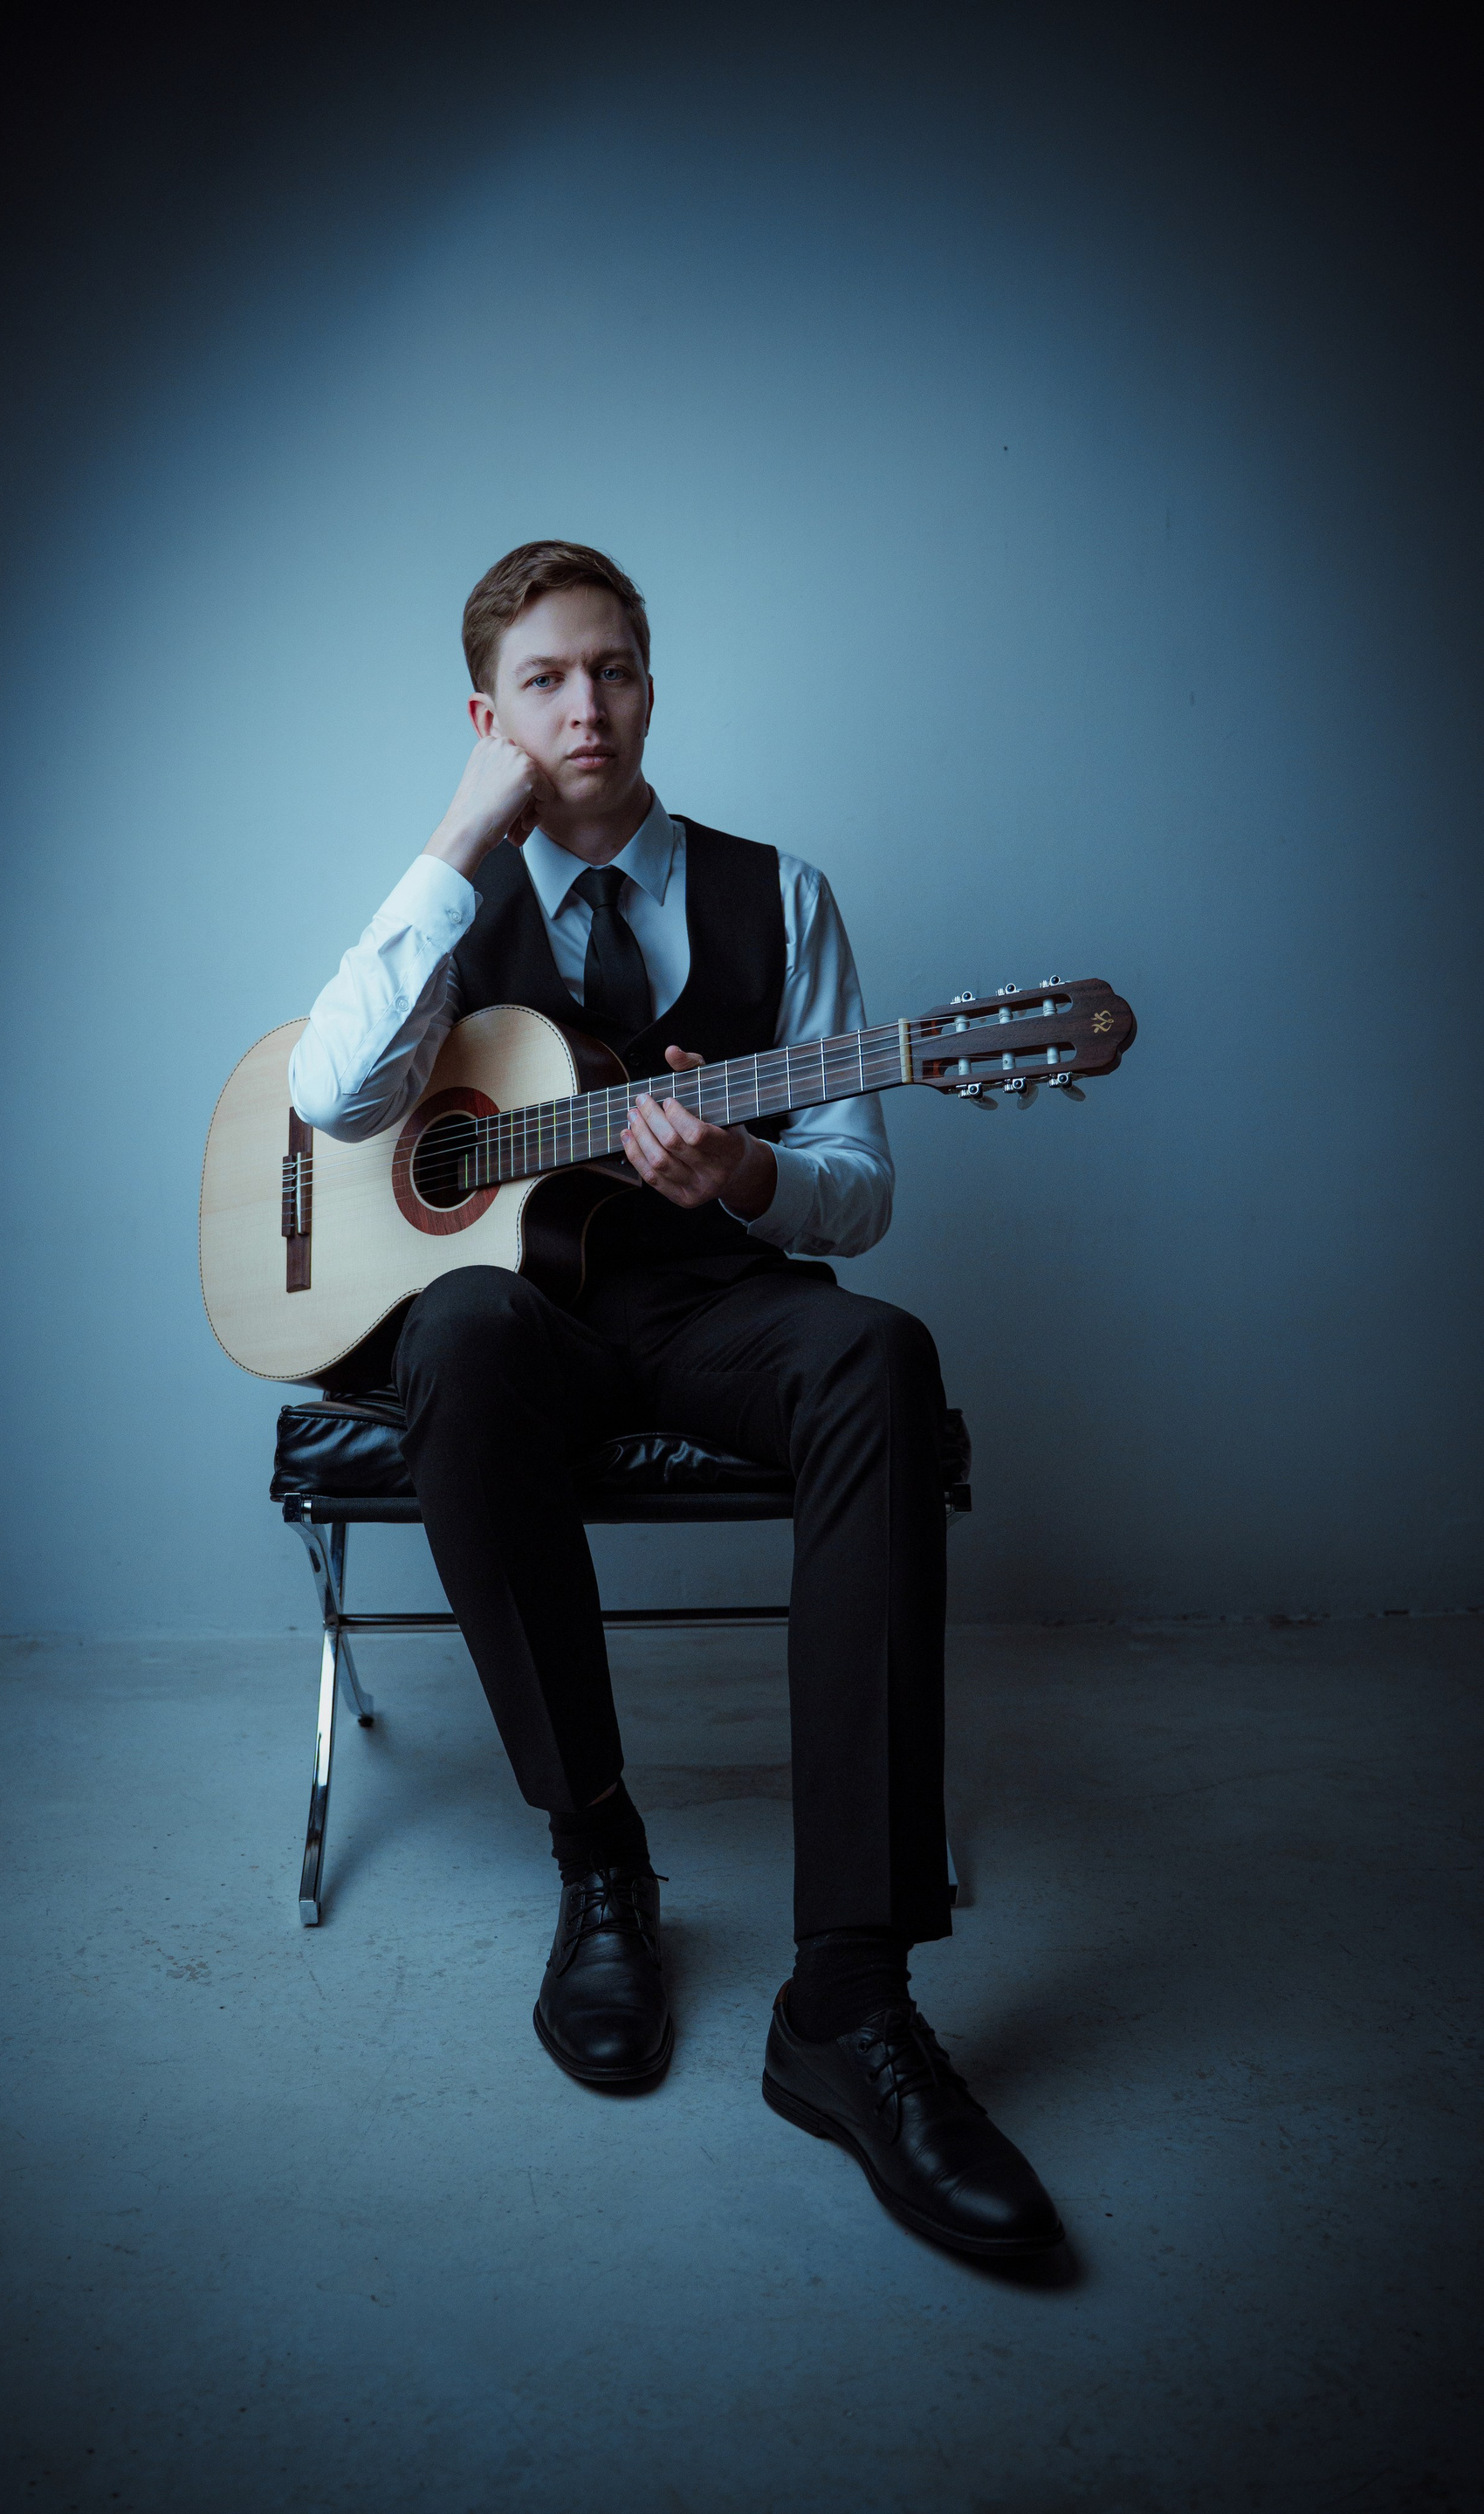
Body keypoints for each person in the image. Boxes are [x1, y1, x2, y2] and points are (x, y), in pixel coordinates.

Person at [290, 541, 1063, 2258]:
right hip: (526, 1332)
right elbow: (335, 1095)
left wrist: (749, 1175)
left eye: (617, 668)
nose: (589, 707)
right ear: (489, 718)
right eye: (547, 681)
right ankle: (600, 1864)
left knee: (879, 1352)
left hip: (717, 1304)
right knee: (461, 1334)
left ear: (652, 684)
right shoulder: (445, 912)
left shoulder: (781, 895)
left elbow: (860, 1190)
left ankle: (850, 2000)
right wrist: (454, 841)